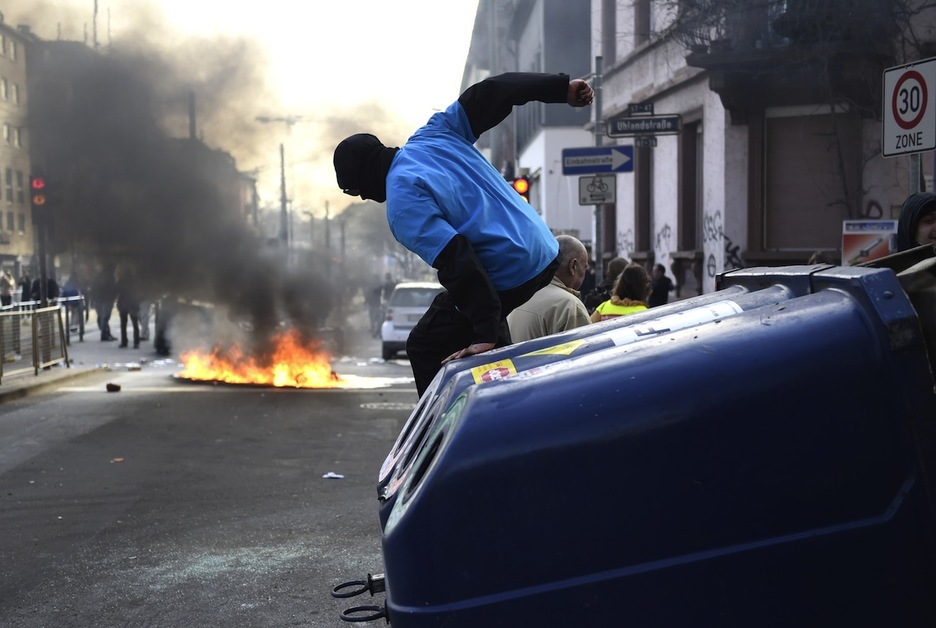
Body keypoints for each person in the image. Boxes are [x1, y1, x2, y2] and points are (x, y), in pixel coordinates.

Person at [334, 72, 594, 396]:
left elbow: (458, 260)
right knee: (476, 317)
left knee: (425, 344)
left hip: (512, 269)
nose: (362, 197)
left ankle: (453, 435)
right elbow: (492, 91)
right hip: (544, 248)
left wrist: (483, 332)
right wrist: (560, 89)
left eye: (356, 190)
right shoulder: (434, 134)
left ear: (365, 176)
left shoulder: (401, 203)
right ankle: (506, 392)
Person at [507, 235, 591, 342]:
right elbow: (585, 354)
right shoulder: (570, 306)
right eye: (584, 268)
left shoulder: (519, 295)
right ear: (573, 266)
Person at [115, 264, 141, 349]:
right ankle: (136, 342)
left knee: (123, 324)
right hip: (132, 304)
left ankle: (124, 341)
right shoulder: (135, 282)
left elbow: (117, 291)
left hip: (123, 304)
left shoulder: (121, 281)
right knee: (135, 324)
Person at [91, 265, 117, 341]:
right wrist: (113, 297)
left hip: (98, 300)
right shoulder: (110, 277)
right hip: (107, 300)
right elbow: (113, 289)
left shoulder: (98, 277)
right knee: (105, 317)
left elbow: (93, 288)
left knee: (102, 317)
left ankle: (106, 333)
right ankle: (104, 334)